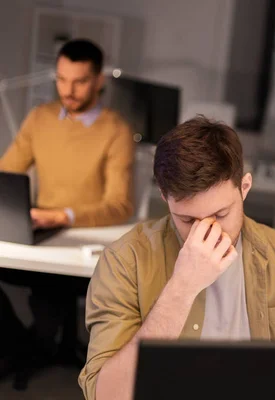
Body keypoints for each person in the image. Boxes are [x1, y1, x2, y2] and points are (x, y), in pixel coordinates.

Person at [78, 116, 275, 400]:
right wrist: (181, 288)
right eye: (188, 219)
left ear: (245, 187)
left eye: (220, 214)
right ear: (165, 197)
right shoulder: (124, 260)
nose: (207, 231)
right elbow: (106, 395)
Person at [0, 38, 134, 387]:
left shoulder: (115, 130)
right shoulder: (41, 118)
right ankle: (21, 344)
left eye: (79, 81)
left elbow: (120, 205)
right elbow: (6, 173)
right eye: (61, 79)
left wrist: (64, 216)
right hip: (38, 229)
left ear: (99, 80)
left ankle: (39, 344)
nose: (68, 90)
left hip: (74, 240)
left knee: (49, 294)